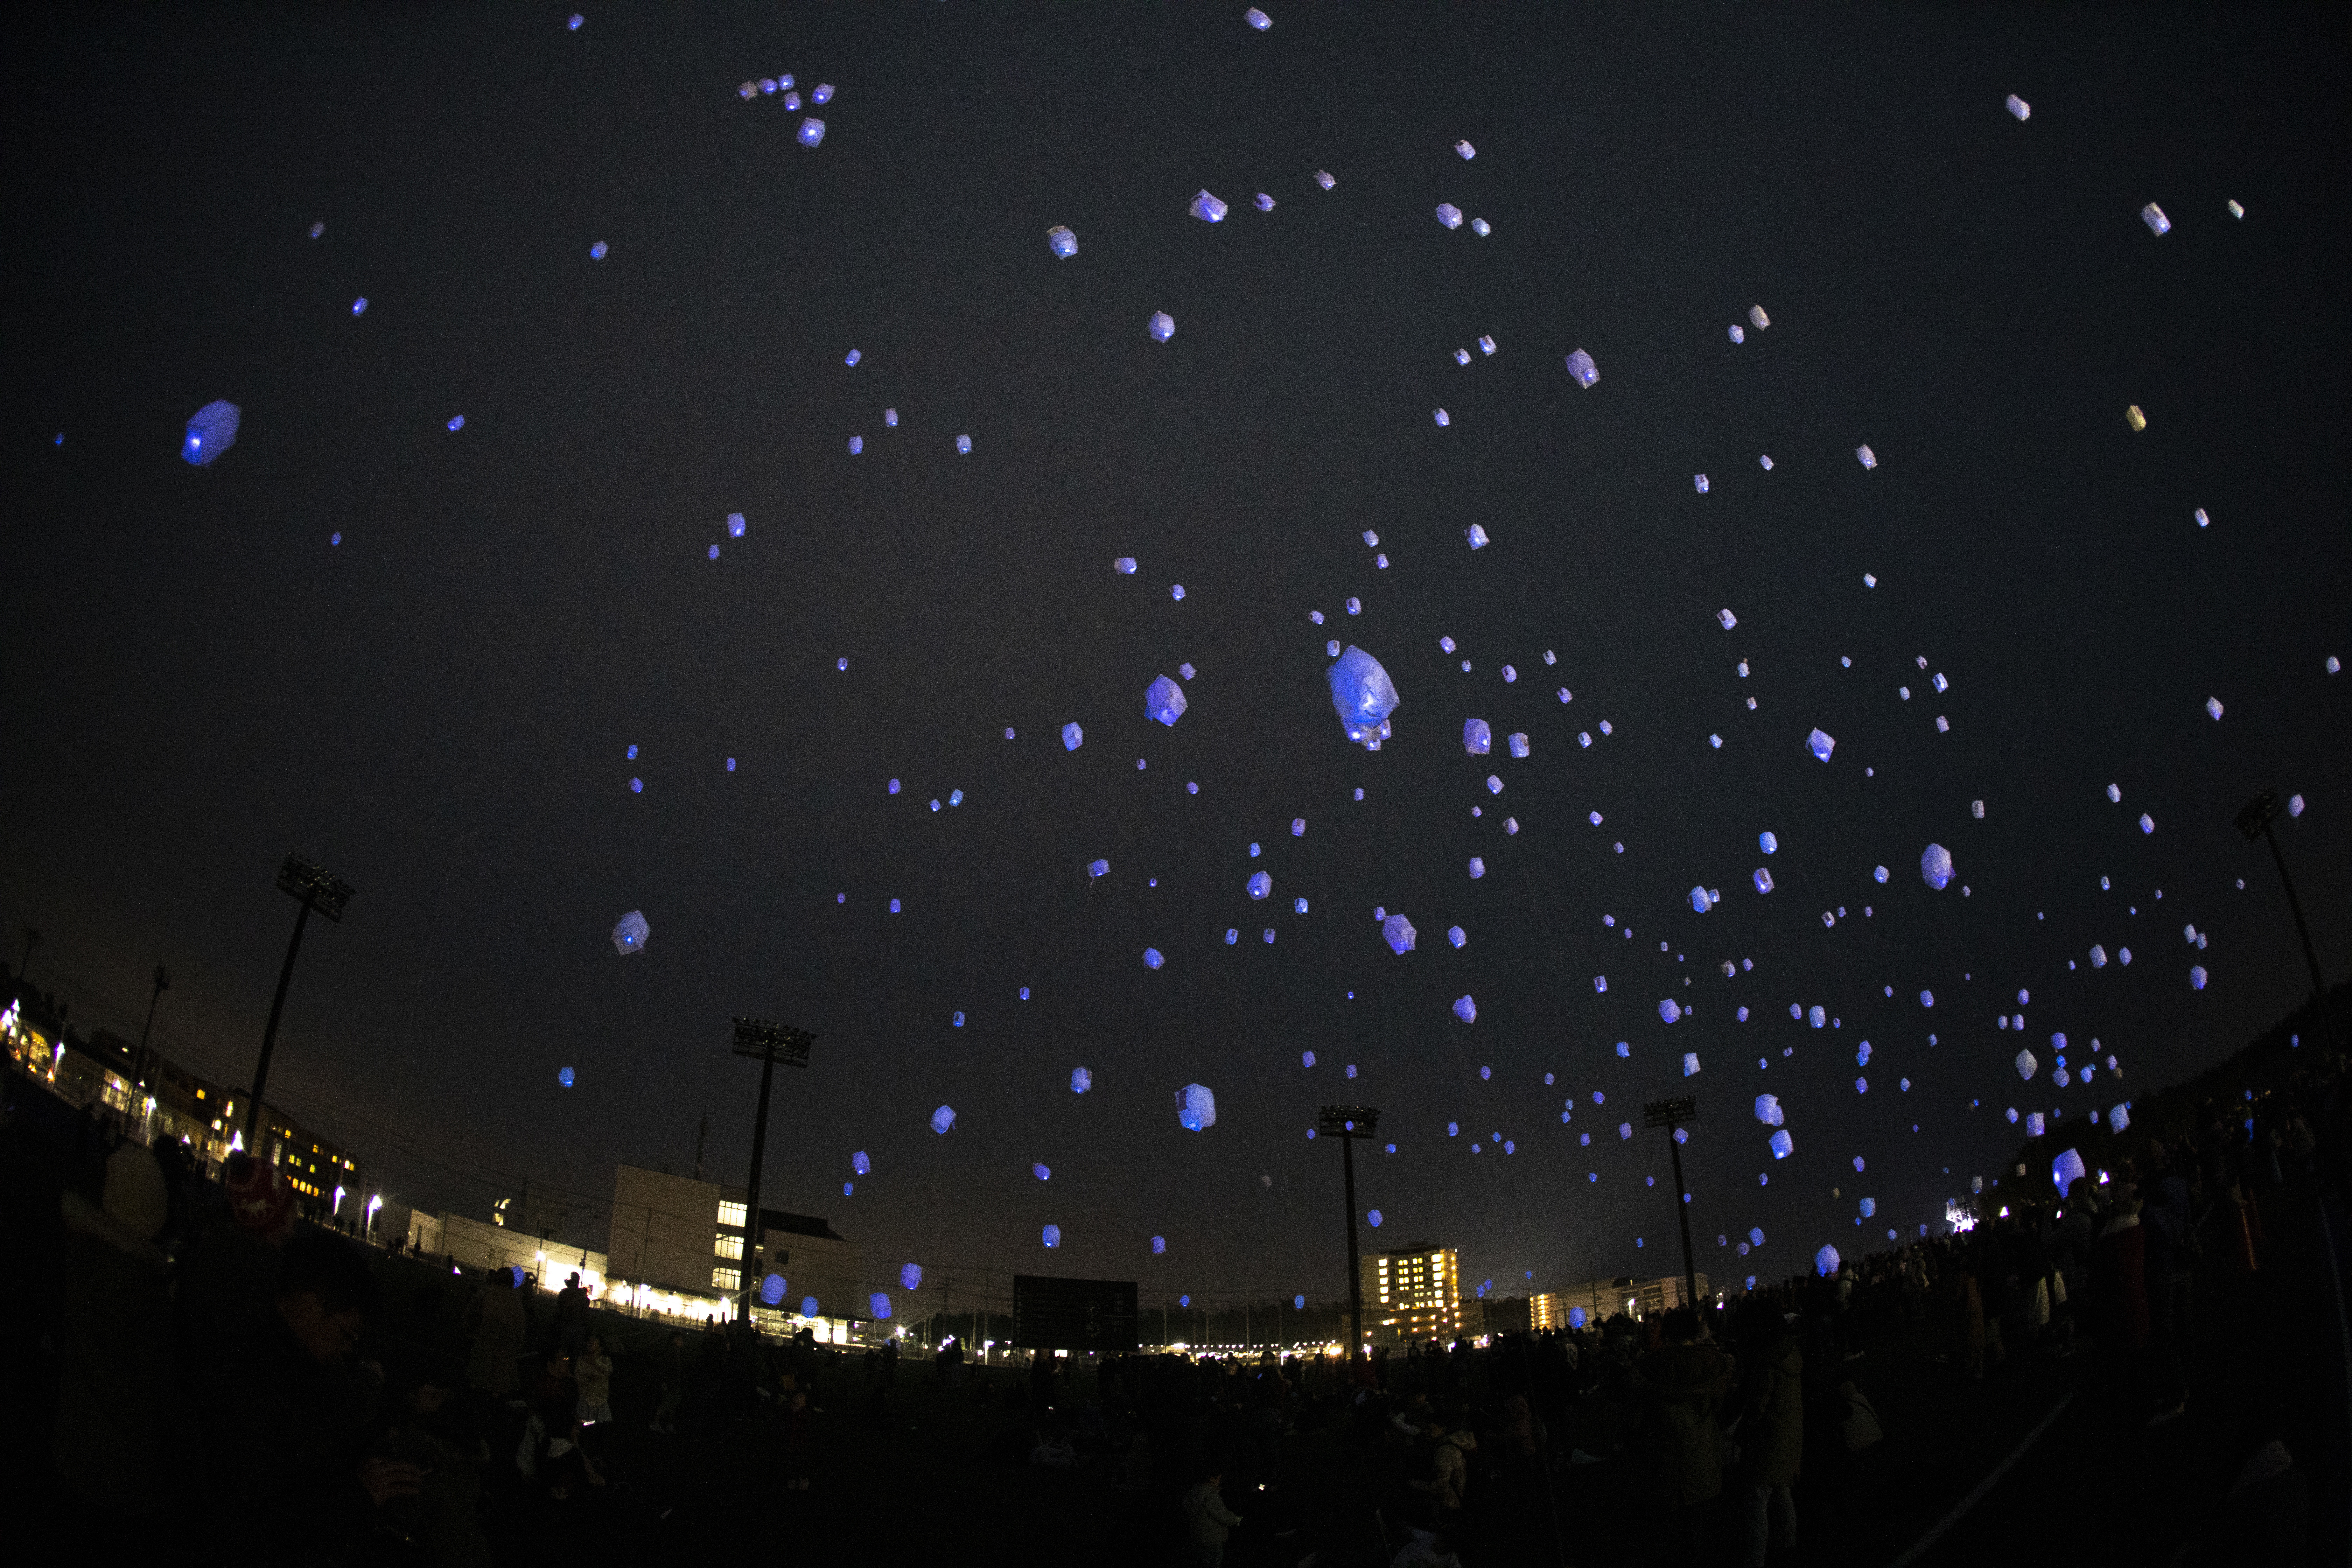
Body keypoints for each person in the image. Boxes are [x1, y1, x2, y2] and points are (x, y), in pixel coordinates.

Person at [1737, 1307, 1804, 1564]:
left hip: (1768, 1439)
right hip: (1788, 1435)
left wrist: (1743, 1436)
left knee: (1757, 1503)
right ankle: (1789, 1546)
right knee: (1782, 1493)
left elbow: (1757, 1408)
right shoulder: (1791, 1355)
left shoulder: (1767, 1362)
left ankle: (1755, 1560)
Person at [465, 1267, 527, 1396]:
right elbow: (521, 1327)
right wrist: (518, 1345)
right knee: (497, 1389)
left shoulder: (486, 1293)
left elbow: (469, 1315)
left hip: (485, 1345)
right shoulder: (515, 1299)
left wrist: (472, 1332)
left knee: (478, 1385)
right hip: (505, 1350)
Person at [1181, 1463, 1244, 1567]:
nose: (1219, 1482)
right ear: (1211, 1479)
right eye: (1218, 1479)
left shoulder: (1191, 1493)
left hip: (1196, 1539)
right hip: (1211, 1541)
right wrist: (1237, 1519)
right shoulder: (1212, 1498)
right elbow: (1226, 1518)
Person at [575, 1333, 614, 1426]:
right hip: (586, 1402)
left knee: (602, 1428)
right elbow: (578, 1379)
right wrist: (589, 1379)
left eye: (595, 1341)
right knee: (586, 1426)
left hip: (602, 1402)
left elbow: (608, 1371)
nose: (592, 1343)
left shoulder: (606, 1360)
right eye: (590, 1341)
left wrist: (593, 1361)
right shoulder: (581, 1361)